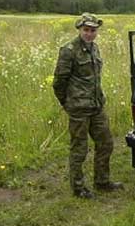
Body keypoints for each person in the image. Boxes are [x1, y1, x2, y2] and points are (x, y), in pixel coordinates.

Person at [53, 13, 123, 199]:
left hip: (96, 106)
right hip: (78, 108)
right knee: (79, 149)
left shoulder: (95, 49)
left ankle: (102, 182)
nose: (90, 34)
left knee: (106, 143)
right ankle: (78, 188)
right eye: (86, 30)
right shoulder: (69, 50)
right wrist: (68, 104)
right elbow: (59, 82)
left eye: (93, 31)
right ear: (79, 29)